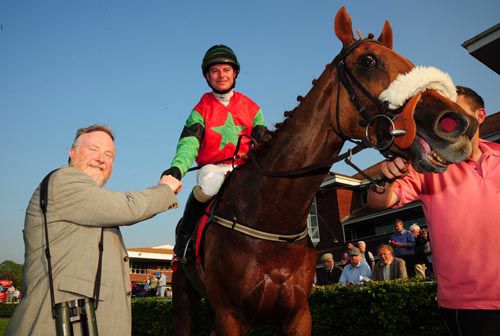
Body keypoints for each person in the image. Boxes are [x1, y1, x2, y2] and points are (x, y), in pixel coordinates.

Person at [6, 124, 182, 336]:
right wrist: (164, 190)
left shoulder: (89, 205)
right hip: (54, 325)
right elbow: (127, 206)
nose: (101, 159)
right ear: (72, 153)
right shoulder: (63, 180)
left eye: (109, 155)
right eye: (93, 149)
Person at [368, 86, 500, 336]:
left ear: (480, 116)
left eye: (456, 111)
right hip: (470, 305)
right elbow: (377, 202)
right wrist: (385, 179)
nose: (447, 118)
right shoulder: (429, 165)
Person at [161, 44, 268, 262]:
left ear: (235, 73)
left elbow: (264, 143)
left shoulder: (252, 108)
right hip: (214, 167)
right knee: (208, 183)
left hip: (245, 168)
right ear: (208, 77)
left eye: (226, 70)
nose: (221, 75)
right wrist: (178, 168)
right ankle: (185, 233)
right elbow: (189, 143)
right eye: (215, 71)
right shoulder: (200, 110)